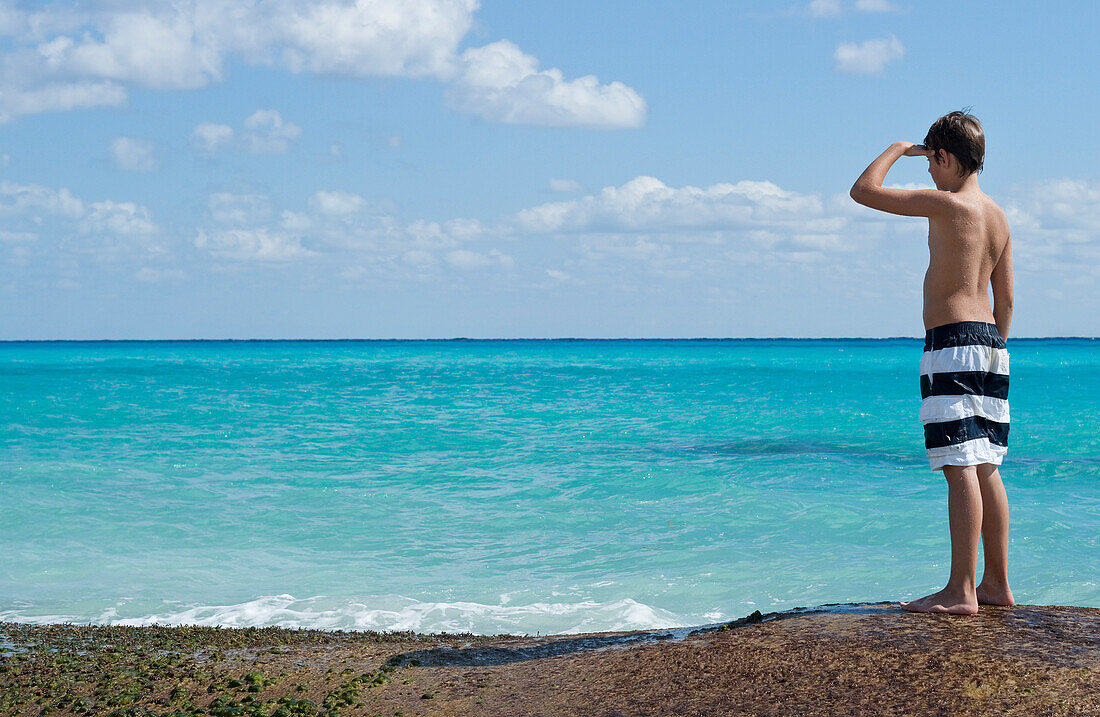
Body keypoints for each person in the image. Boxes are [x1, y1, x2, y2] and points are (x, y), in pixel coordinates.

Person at [849, 111, 1015, 615]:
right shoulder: (998, 215)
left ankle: (960, 590)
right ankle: (996, 585)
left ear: (943, 156)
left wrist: (899, 148)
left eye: (931, 162)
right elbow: (1006, 300)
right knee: (985, 462)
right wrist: (993, 351)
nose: (928, 173)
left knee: (958, 463)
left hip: (952, 341)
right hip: (991, 344)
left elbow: (864, 190)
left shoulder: (947, 206)